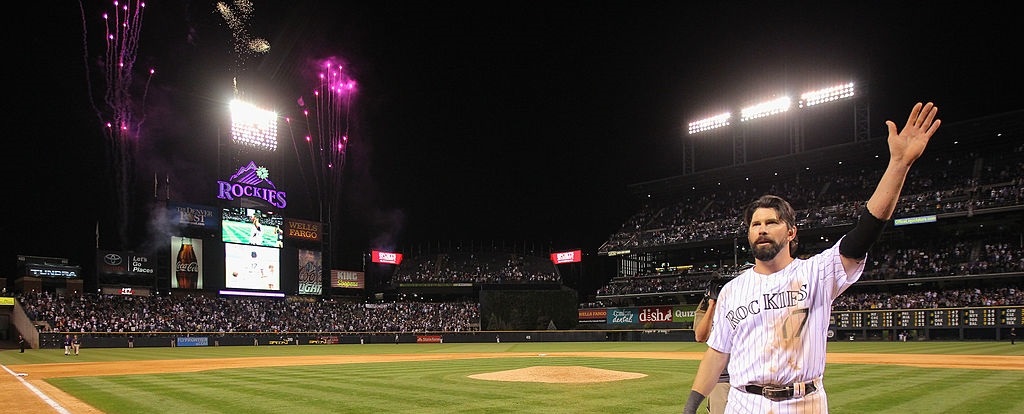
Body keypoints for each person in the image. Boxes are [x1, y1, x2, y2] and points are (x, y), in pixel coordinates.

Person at [682, 102, 941, 414]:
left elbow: (865, 232)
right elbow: (716, 353)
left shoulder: (817, 272)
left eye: (772, 222)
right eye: (755, 224)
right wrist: (690, 407)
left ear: (791, 232)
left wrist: (899, 164)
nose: (762, 229)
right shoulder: (731, 291)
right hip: (744, 403)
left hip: (804, 402)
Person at [692, 277, 730, 414]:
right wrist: (712, 304)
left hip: (750, 378)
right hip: (722, 378)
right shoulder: (707, 306)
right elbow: (700, 336)